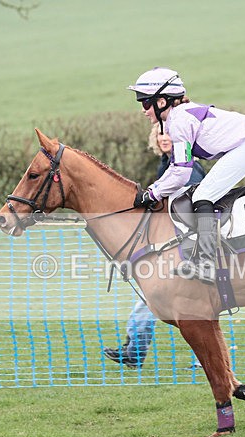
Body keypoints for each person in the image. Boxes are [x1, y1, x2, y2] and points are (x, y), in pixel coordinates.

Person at [129, 66, 245, 284]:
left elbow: (182, 173)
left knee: (203, 196)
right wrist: (153, 190)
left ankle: (207, 263)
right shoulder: (177, 118)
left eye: (145, 102)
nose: (143, 109)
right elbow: (177, 168)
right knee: (202, 194)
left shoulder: (178, 122)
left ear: (162, 102)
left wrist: (152, 193)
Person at [103, 126, 205, 369]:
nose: (164, 138)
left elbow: (184, 203)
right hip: (172, 246)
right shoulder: (167, 165)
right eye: (160, 135)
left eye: (168, 134)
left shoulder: (186, 167)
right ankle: (134, 351)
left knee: (175, 301)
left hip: (185, 249)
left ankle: (136, 352)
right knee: (156, 297)